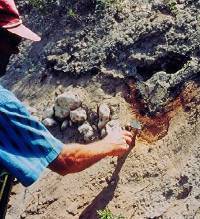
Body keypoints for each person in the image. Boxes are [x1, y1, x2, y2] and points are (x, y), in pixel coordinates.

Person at [0, 0, 134, 189]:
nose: (16, 50)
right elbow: (65, 161)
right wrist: (110, 144)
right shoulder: (2, 105)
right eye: (13, 40)